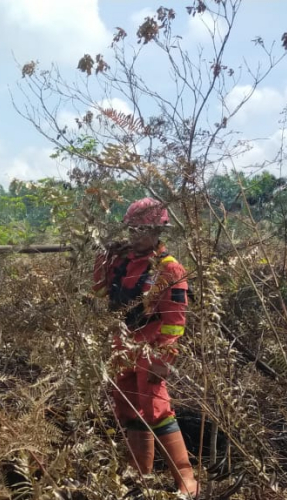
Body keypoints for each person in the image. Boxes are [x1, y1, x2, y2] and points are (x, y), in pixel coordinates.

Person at [92, 197, 198, 496]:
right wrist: (104, 257)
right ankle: (141, 477)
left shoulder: (170, 270)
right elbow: (100, 290)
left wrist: (163, 358)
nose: (136, 236)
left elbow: (175, 321)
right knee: (126, 407)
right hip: (122, 344)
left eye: (143, 230)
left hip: (151, 348)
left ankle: (186, 479)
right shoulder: (122, 262)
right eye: (132, 230)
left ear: (157, 231)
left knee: (156, 408)